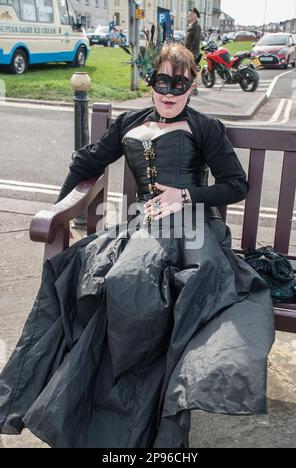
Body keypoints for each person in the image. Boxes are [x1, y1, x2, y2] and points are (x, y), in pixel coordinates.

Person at [0, 44, 275, 448]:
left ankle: (136, 416)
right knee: (91, 276)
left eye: (179, 83)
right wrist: (59, 212)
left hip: (193, 228)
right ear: (151, 83)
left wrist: (185, 196)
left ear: (191, 86)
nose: (169, 91)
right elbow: (87, 163)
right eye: (162, 81)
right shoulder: (129, 123)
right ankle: (93, 403)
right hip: (143, 226)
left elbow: (236, 184)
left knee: (134, 281)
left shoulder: (204, 127)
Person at [184, 7, 202, 95]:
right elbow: (187, 40)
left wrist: (188, 52)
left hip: (193, 53)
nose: (188, 16)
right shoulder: (190, 26)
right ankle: (191, 89)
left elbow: (195, 41)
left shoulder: (197, 27)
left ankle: (194, 90)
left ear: (195, 16)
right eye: (188, 15)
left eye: (190, 15)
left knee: (192, 71)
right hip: (188, 52)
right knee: (189, 71)